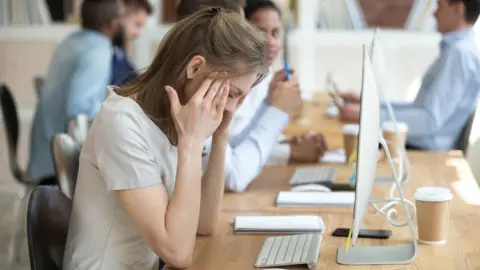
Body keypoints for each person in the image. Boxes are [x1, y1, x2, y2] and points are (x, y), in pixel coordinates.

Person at [63, 7, 268, 270]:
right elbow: (177, 253)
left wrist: (220, 135)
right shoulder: (122, 122)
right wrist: (191, 146)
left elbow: (204, 223)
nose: (231, 108)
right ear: (195, 67)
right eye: (231, 94)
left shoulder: (176, 119)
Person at [177, 0, 328, 193]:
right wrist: (277, 112)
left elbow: (229, 149)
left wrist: (269, 103)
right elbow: (234, 176)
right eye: (241, 35)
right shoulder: (189, 101)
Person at [338, 0, 480, 151]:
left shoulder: (460, 55)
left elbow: (429, 121)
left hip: (424, 151)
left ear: (458, 10)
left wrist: (370, 116)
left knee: (343, 147)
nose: (434, 13)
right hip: (417, 145)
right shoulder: (459, 51)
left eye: (439, 6)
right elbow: (419, 109)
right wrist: (371, 105)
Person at [27, 0, 123, 182]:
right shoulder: (98, 50)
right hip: (60, 164)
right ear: (113, 23)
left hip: (44, 155)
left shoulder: (71, 40)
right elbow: (80, 110)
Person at [111, 0, 152, 86]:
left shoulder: (119, 53)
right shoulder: (105, 53)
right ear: (120, 13)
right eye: (137, 24)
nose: (137, 33)